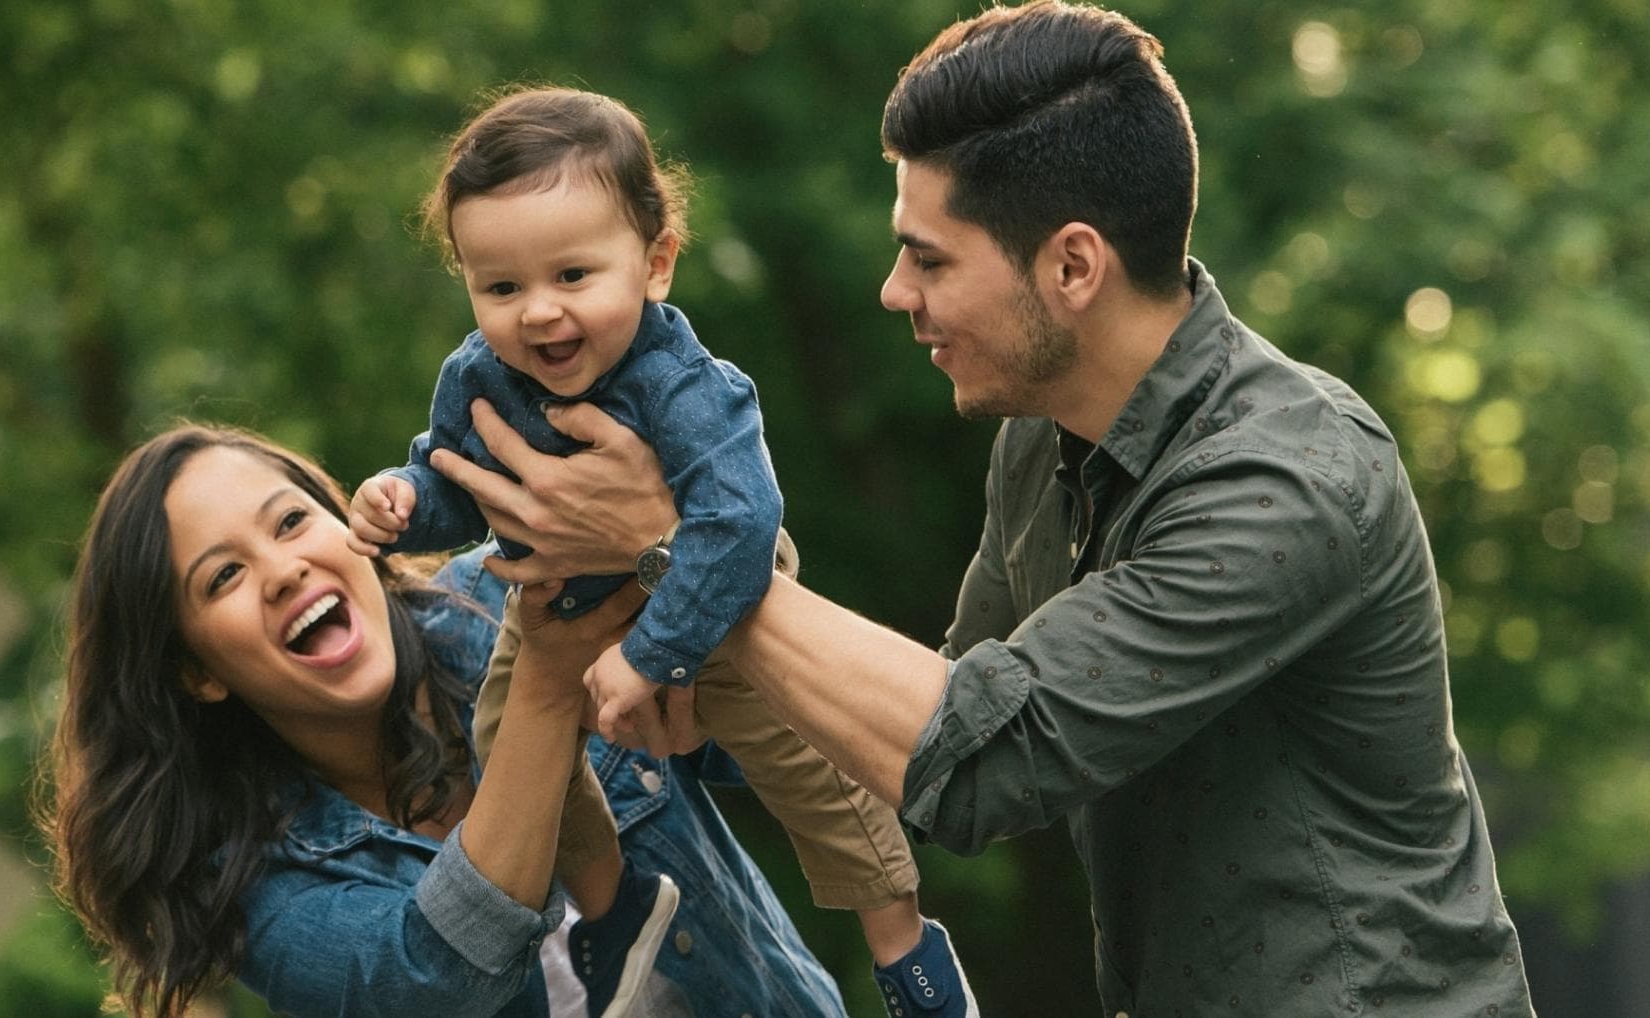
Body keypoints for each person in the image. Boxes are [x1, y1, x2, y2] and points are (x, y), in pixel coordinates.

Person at [429, 4, 1539, 1014]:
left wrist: (673, 553)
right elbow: (920, 717)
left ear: (1069, 267)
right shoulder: (1040, 437)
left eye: (926, 257)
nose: (892, 290)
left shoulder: (1282, 481)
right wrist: (693, 682)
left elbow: (981, 760)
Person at [349, 86, 971, 1015]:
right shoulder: (475, 377)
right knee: (503, 743)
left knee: (805, 758)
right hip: (562, 609)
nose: (539, 315)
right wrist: (405, 503)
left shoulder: (684, 386)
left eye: (572, 276)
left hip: (719, 601)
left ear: (656, 263)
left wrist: (652, 654)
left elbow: (738, 527)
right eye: (501, 287)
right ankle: (615, 904)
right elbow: (456, 481)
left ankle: (905, 950)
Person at [44, 424, 843, 1018]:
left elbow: (797, 730)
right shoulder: (259, 887)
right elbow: (434, 978)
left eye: (290, 522)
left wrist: (682, 561)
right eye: (223, 576)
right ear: (197, 674)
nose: (283, 570)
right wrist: (543, 682)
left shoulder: (512, 595)